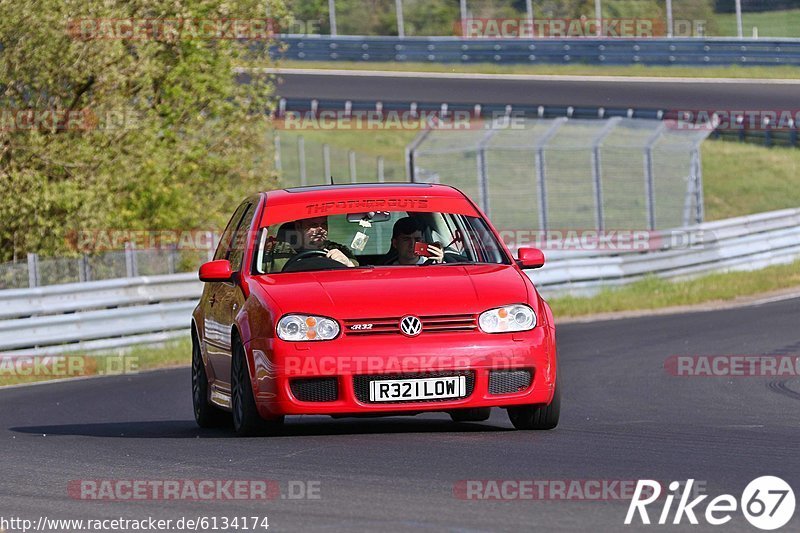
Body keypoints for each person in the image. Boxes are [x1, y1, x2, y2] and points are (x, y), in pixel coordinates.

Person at [268, 216, 358, 271]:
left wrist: (348, 264)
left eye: (324, 224)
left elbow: (357, 279)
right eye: (313, 225)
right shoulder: (277, 253)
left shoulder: (339, 251)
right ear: (299, 227)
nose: (321, 230)